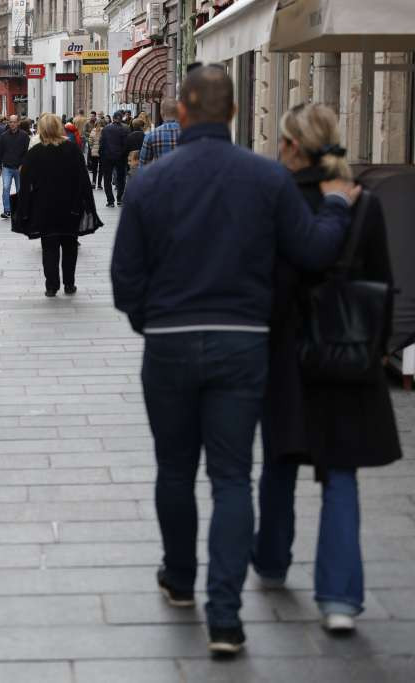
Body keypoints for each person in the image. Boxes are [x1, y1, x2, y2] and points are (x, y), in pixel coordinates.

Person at [110, 65, 360, 657]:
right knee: (231, 478)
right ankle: (225, 617)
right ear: (231, 114)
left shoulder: (149, 182)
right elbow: (314, 250)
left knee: (174, 471)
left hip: (170, 341)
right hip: (241, 342)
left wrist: (153, 320)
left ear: (184, 114)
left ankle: (178, 577)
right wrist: (336, 208)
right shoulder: (267, 179)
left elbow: (125, 279)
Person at [253, 103, 402, 634]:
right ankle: (340, 598)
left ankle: (271, 561)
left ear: (293, 145)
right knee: (341, 473)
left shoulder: (278, 200)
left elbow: (265, 286)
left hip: (287, 352)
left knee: (279, 463)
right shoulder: (365, 202)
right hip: (349, 353)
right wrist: (375, 349)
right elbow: (382, 284)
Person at [14, 113, 98, 297]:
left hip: (45, 206)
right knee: (69, 245)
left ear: (42, 130)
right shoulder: (72, 149)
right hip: (70, 205)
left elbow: (25, 181)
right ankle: (69, 283)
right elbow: (83, 179)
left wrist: (24, 208)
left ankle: (51, 285)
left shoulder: (35, 153)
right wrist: (86, 203)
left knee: (49, 247)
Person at [0, 114, 30, 220]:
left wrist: (23, 164)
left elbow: (27, 152)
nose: (12, 124)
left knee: (20, 189)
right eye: (11, 122)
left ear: (18, 123)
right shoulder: (3, 136)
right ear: (8, 123)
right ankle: (7, 210)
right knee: (6, 188)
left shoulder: (24, 136)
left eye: (14, 122)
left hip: (20, 167)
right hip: (7, 167)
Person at [99, 112, 129, 207]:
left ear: (113, 118)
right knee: (121, 179)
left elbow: (102, 143)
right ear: (121, 118)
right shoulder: (125, 129)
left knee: (107, 179)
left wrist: (101, 155)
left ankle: (110, 201)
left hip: (107, 157)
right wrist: (124, 155)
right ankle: (119, 199)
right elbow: (126, 144)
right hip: (121, 157)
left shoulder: (106, 128)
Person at [140, 98, 181, 166]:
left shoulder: (151, 136)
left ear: (161, 113)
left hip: (160, 175)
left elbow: (143, 166)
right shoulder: (189, 133)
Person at [88, 121, 104, 189]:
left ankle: (94, 183)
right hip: (101, 152)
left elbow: (90, 141)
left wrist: (92, 148)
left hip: (95, 152)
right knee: (100, 169)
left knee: (95, 169)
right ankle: (99, 184)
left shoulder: (93, 131)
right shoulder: (104, 131)